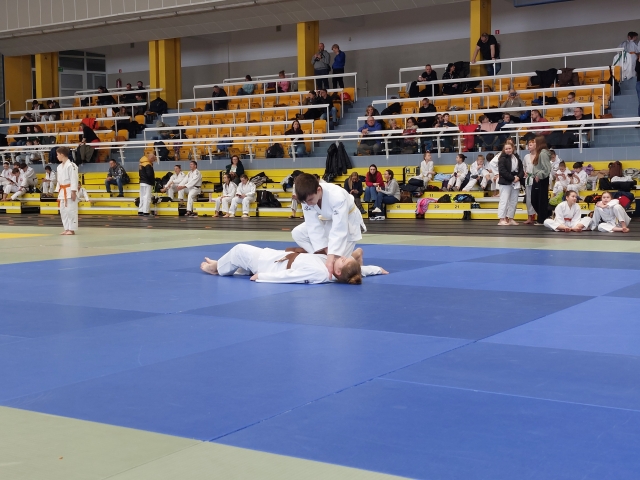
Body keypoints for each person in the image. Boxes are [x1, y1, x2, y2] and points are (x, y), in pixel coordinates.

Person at [292, 173, 366, 278]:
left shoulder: (337, 196)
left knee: (339, 271)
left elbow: (339, 229)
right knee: (298, 233)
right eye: (305, 202)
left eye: (310, 200)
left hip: (347, 220)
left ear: (318, 190)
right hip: (327, 219)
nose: (308, 204)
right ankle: (322, 258)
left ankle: (357, 257)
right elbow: (312, 225)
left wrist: (331, 258)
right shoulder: (306, 196)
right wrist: (327, 252)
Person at [199, 245, 387, 285]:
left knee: (239, 250)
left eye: (344, 260)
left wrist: (263, 277)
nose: (342, 257)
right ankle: (221, 263)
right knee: (241, 263)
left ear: (338, 271)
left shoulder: (319, 273)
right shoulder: (334, 267)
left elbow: (290, 277)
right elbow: (358, 271)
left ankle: (216, 268)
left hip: (268, 265)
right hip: (276, 257)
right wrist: (376, 270)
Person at [497, 142, 524, 226]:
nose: (508, 150)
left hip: (516, 181)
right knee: (504, 200)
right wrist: (512, 178)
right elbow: (502, 171)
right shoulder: (502, 158)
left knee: (513, 201)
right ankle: (501, 219)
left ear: (513, 148)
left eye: (509, 148)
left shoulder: (516, 157)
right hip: (505, 182)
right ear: (504, 150)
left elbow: (521, 169)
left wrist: (518, 177)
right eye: (506, 149)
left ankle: (511, 218)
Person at [55, 146, 79, 235]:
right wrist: (58, 190)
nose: (57, 156)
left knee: (70, 210)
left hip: (69, 190)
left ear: (62, 154)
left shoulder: (71, 165)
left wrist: (73, 191)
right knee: (63, 211)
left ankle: (71, 229)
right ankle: (66, 228)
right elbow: (59, 180)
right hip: (62, 191)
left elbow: (74, 179)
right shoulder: (59, 167)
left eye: (58, 154)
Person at [529, 136, 552, 225]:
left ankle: (542, 218)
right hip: (537, 178)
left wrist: (539, 175)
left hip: (541, 179)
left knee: (540, 199)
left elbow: (547, 168)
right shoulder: (540, 153)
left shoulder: (543, 153)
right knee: (536, 199)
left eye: (535, 142)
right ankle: (545, 215)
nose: (533, 144)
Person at [522, 139, 537, 224]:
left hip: (537, 178)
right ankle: (529, 217)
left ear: (535, 145)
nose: (529, 146)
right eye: (528, 145)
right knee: (529, 199)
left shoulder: (539, 155)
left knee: (537, 198)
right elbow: (524, 166)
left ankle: (538, 216)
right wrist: (524, 172)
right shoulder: (526, 156)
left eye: (531, 145)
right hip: (529, 179)